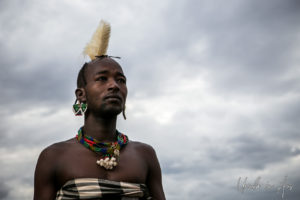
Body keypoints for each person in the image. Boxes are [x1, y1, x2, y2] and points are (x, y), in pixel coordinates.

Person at [34, 21, 166, 200]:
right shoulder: (54, 156)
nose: (114, 86)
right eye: (102, 79)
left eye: (121, 80)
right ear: (81, 95)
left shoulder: (144, 154)